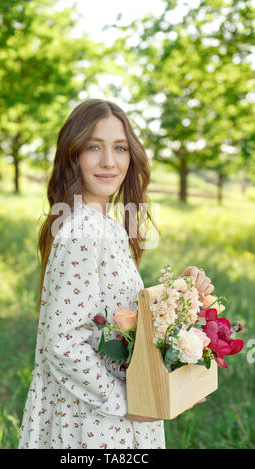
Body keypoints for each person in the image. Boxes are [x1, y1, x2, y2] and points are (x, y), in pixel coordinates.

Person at [18, 99, 214, 449]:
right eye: (94, 147)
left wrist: (181, 294)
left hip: (111, 413)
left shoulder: (105, 227)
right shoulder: (82, 231)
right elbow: (62, 344)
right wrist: (128, 402)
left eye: (120, 148)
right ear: (73, 154)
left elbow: (116, 315)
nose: (109, 161)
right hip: (95, 423)